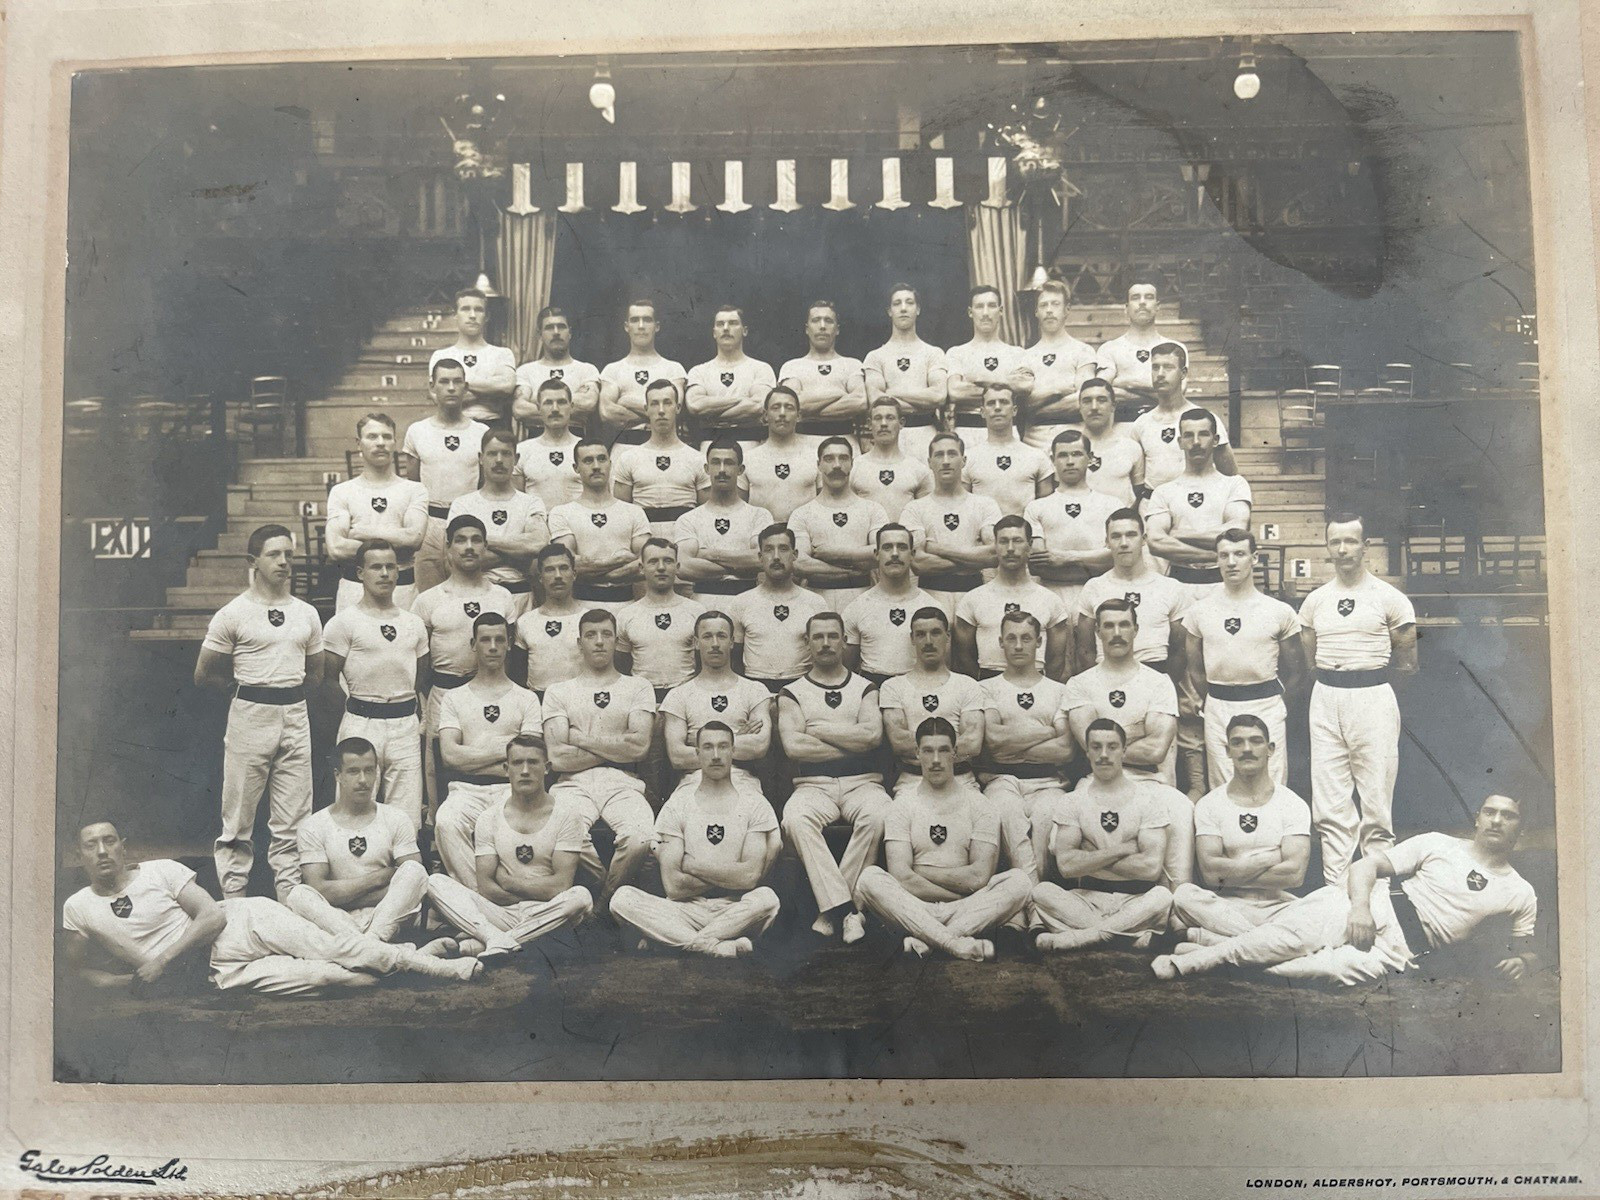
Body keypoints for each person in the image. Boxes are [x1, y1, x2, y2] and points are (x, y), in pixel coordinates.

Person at [1153, 794, 1537, 987]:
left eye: (1509, 816)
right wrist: (1360, 911)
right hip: (1373, 907)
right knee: (1285, 939)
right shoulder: (1440, 843)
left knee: (1295, 972)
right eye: (1491, 812)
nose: (1497, 820)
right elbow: (1366, 865)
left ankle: (1204, 942)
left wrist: (1525, 962)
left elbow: (1528, 949)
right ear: (1478, 817)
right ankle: (1186, 963)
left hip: (1401, 951)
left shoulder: (1520, 892)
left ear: (1519, 827)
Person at [63, 821, 479, 996]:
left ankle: (447, 970)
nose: (102, 851)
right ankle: (415, 958)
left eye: (110, 841)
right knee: (331, 978)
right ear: (79, 856)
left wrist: (161, 960)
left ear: (123, 847)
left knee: (340, 950)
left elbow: (213, 916)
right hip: (217, 972)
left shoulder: (159, 871)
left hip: (242, 923)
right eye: (90, 845)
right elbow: (73, 970)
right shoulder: (77, 907)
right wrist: (126, 981)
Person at [194, 524, 324, 902]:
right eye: (274, 554)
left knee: (294, 821)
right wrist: (245, 692)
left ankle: (292, 902)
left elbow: (315, 673)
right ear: (253, 561)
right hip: (251, 715)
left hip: (295, 714)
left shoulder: (306, 614)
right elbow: (204, 673)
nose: (284, 562)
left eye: (289, 554)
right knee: (238, 820)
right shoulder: (233, 613)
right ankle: (235, 903)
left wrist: (287, 694)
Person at [1298, 513, 1419, 885]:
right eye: (1335, 542)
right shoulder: (1315, 602)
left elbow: (1408, 663)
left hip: (1373, 697)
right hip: (1327, 699)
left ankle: (1376, 893)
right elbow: (1310, 660)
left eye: (1351, 541)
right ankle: (1336, 893)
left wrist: (1373, 693)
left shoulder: (1390, 598)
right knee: (1331, 804)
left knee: (1376, 802)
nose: (1343, 549)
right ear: (1327, 548)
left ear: (1366, 546)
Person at [853, 718, 1034, 959]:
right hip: (917, 904)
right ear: (917, 753)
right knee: (869, 879)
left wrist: (921, 870)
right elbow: (901, 877)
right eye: (928, 751)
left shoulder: (980, 805)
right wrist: (955, 893)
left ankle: (929, 939)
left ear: (955, 753)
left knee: (1020, 882)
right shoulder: (902, 805)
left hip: (966, 905)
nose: (935, 760)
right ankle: (955, 943)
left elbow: (979, 877)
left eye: (943, 750)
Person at [611, 723, 783, 957]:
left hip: (734, 909)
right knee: (622, 899)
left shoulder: (755, 804)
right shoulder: (677, 804)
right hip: (684, 909)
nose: (715, 755)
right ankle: (714, 945)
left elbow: (750, 877)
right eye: (708, 747)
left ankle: (675, 940)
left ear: (734, 751)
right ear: (697, 753)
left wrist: (692, 865)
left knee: (767, 899)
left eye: (723, 747)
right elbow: (674, 886)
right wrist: (731, 874)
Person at [424, 735, 595, 960]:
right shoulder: (488, 818)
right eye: (517, 763)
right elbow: (486, 888)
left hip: (548, 910)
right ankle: (510, 938)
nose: (525, 770)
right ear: (506, 768)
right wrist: (526, 894)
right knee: (435, 883)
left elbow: (561, 886)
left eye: (533, 762)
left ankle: (492, 941)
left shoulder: (567, 814)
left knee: (580, 897)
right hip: (504, 912)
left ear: (547, 768)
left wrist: (508, 882)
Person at [778, 613, 892, 944]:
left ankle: (832, 911)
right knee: (795, 819)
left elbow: (872, 737)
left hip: (864, 781)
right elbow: (794, 746)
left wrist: (821, 729)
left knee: (880, 814)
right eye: (818, 637)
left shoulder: (866, 687)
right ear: (808, 642)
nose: (826, 643)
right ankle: (847, 911)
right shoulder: (792, 692)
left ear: (844, 641)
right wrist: (850, 741)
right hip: (813, 785)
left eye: (833, 636)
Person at [543, 609, 659, 917]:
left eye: (606, 634)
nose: (599, 642)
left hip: (623, 782)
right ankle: (602, 893)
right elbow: (556, 757)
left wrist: (580, 739)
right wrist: (616, 745)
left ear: (615, 640)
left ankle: (602, 904)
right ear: (579, 643)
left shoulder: (637, 687)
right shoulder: (558, 692)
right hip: (572, 783)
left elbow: (639, 747)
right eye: (591, 635)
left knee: (640, 838)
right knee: (564, 834)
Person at [1030, 719, 1177, 952]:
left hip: (1135, 900)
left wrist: (1089, 856)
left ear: (1124, 750)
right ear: (1087, 752)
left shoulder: (1149, 800)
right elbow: (1067, 866)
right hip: (1087, 899)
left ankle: (1082, 938)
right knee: (1041, 891)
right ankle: (1125, 937)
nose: (1104, 755)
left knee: (1162, 896)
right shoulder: (1072, 801)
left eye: (1112, 746)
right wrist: (1121, 850)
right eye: (1096, 747)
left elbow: (1150, 869)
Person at [410, 516, 517, 825]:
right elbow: (421, 659)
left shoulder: (501, 596)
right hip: (443, 694)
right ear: (447, 547)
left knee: (491, 762)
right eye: (460, 540)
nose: (469, 547)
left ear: (485, 547)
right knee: (438, 768)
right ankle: (439, 839)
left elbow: (509, 654)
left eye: (476, 540)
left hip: (491, 692)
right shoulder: (428, 601)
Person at [1183, 528, 1306, 789]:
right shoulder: (1199, 611)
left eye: (1239, 554)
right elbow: (1194, 669)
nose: (1231, 562)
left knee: (1271, 786)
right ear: (1216, 559)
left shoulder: (1278, 611)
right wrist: (1214, 698)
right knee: (1223, 786)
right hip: (1219, 706)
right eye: (1224, 555)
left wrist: (1277, 705)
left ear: (1255, 558)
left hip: (1266, 705)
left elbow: (1297, 671)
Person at [1170, 715, 1312, 939]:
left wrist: (1230, 871)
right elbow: (1210, 874)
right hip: (1228, 905)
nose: (1247, 749)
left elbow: (1294, 875)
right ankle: (1268, 942)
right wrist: (1268, 858)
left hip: (1277, 905)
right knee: (1184, 896)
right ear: (1227, 750)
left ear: (1270, 748)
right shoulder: (1210, 804)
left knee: (1333, 900)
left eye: (1256, 741)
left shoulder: (1292, 804)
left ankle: (1215, 940)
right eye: (1238, 742)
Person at [319, 540, 429, 829]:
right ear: (360, 573)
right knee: (353, 808)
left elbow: (420, 676)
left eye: (390, 567)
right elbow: (328, 678)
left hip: (404, 723)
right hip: (361, 720)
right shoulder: (343, 623)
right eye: (376, 567)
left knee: (406, 818)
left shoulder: (414, 623)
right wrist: (355, 711)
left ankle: (401, 871)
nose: (384, 574)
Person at [434, 613, 544, 885]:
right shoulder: (454, 698)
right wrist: (505, 747)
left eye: (499, 640)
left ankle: (500, 898)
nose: (493, 647)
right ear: (473, 644)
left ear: (509, 644)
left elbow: (528, 758)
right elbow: (449, 756)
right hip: (465, 790)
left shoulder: (526, 698)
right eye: (485, 640)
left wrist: (472, 753)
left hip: (511, 791)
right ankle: (478, 897)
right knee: (446, 821)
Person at [286, 737, 431, 943]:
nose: (363, 780)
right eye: (354, 771)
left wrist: (346, 896)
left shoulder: (396, 817)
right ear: (338, 775)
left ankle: (368, 943)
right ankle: (375, 945)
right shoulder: (314, 825)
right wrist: (379, 877)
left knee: (415, 871)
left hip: (388, 914)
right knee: (299, 894)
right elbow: (319, 889)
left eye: (369, 770)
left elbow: (414, 882)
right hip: (336, 918)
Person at [977, 612, 1076, 883]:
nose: (1018, 645)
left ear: (1039, 642)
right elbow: (994, 741)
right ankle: (1033, 896)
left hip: (1048, 781)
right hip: (1002, 779)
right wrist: (1046, 731)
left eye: (1026, 638)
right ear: (1000, 642)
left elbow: (1065, 748)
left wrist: (1014, 747)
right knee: (1007, 814)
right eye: (1011, 638)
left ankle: (1027, 896)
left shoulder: (1059, 690)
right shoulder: (986, 688)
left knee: (1046, 816)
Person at [1064, 599, 1180, 790]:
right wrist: (1136, 730)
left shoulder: (1159, 682)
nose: (1117, 634)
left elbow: (1156, 750)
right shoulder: (1079, 684)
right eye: (1109, 626)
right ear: (1097, 632)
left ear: (1135, 629)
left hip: (1148, 780)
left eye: (1124, 625)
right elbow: (1088, 745)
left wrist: (1105, 744)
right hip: (1097, 780)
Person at [661, 612, 774, 798]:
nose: (715, 644)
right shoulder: (678, 695)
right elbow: (677, 757)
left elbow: (760, 745)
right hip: (693, 781)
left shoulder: (755, 690)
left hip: (742, 779)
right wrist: (736, 739)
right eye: (707, 637)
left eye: (721, 636)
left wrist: (699, 745)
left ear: (732, 641)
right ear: (696, 643)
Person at [401, 359, 490, 594]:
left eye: (457, 381)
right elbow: (412, 486)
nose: (451, 387)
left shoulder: (481, 432)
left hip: (468, 524)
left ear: (466, 387)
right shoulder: (417, 431)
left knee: (469, 593)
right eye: (444, 381)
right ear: (432, 387)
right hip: (430, 523)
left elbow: (484, 484)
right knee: (427, 595)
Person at [324, 413, 428, 613]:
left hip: (402, 591)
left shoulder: (414, 490)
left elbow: (413, 539)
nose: (381, 443)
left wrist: (362, 532)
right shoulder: (342, 491)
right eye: (372, 437)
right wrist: (395, 541)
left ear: (395, 443)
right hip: (354, 591)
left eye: (387, 437)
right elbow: (336, 548)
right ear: (358, 443)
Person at [880, 608, 986, 801]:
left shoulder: (967, 685)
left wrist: (923, 747)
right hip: (912, 779)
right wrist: (949, 745)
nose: (928, 641)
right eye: (921, 634)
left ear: (947, 636)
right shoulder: (893, 687)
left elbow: (973, 743)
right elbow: (898, 742)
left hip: (961, 779)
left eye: (936, 633)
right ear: (912, 639)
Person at [1145, 408, 1252, 593]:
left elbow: (1236, 533)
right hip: (1179, 582)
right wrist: (1213, 554)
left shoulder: (1234, 484)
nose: (1196, 442)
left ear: (1216, 440)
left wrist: (1178, 534)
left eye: (1203, 434)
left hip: (1222, 581)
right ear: (1179, 442)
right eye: (1188, 436)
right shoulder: (1164, 491)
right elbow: (1156, 542)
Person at [447, 428, 550, 618]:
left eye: (506, 454)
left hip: (521, 596)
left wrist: (482, 542)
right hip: (477, 596)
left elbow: (538, 544)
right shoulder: (463, 504)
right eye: (492, 453)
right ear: (480, 457)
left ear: (516, 459)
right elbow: (458, 560)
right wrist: (521, 554)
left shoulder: (531, 502)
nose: (499, 460)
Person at [953, 514, 1071, 680]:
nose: (1010, 548)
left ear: (1029, 546)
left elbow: (1056, 661)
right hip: (988, 688)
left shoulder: (1050, 600)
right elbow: (964, 658)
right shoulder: (973, 599)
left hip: (1035, 687)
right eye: (1003, 541)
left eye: (1017, 540)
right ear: (995, 546)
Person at [898, 433, 1002, 617]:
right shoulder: (915, 508)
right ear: (929, 462)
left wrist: (937, 549)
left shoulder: (985, 505)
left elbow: (994, 555)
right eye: (939, 455)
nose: (946, 461)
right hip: (930, 595)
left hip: (974, 594)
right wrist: (973, 561)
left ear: (963, 460)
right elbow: (918, 563)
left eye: (952, 454)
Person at [1074, 508, 1189, 675]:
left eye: (1131, 535)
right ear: (1107, 542)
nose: (1124, 543)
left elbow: (1179, 652)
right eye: (1116, 536)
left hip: (1155, 678)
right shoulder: (1094, 587)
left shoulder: (1170, 587)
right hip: (1107, 678)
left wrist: (1163, 686)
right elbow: (1085, 650)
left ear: (1143, 539)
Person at [1022, 430, 1121, 616]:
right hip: (1050, 594)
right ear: (1052, 460)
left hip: (1098, 593)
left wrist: (1066, 558)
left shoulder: (1111, 505)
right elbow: (1038, 565)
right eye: (1063, 455)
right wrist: (1093, 564)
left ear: (1090, 458)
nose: (1069, 461)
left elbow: (1116, 557)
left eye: (1076, 454)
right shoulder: (1036, 507)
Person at [547, 439, 651, 613]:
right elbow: (566, 563)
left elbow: (646, 562)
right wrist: (616, 561)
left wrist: (596, 570)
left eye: (601, 459)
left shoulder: (634, 512)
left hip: (626, 605)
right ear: (576, 468)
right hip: (580, 606)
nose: (596, 466)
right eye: (588, 461)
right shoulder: (562, 513)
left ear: (610, 464)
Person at [726, 524, 831, 691]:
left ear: (794, 554)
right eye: (768, 550)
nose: (776, 557)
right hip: (755, 687)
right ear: (760, 557)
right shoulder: (742, 602)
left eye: (783, 549)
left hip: (800, 688)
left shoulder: (815, 603)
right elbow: (734, 660)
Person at [788, 437, 888, 610]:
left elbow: (882, 552)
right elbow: (799, 563)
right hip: (817, 599)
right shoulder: (802, 513)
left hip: (862, 598)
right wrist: (849, 570)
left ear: (852, 463)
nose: (836, 465)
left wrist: (833, 554)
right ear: (818, 465)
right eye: (829, 459)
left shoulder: (873, 509)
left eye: (843, 458)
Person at [1126, 342, 1236, 489]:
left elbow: (1230, 475)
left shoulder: (1205, 419)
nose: (1160, 374)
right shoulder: (1141, 424)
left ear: (1183, 373)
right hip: (1154, 505)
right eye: (1155, 367)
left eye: (1168, 367)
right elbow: (1135, 480)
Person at [674, 438, 773, 601]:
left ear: (740, 469)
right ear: (706, 468)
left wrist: (710, 555)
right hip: (704, 600)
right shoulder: (689, 519)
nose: (722, 470)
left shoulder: (759, 515)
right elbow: (683, 567)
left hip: (746, 599)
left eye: (729, 463)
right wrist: (739, 567)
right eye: (715, 462)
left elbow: (762, 559)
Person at [841, 524, 939, 684]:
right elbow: (847, 670)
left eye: (902, 547)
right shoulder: (857, 607)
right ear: (876, 554)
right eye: (887, 547)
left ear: (912, 554)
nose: (894, 554)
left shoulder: (931, 607)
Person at [862, 283, 949, 461]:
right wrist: (922, 401)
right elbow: (876, 400)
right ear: (889, 311)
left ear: (917, 309)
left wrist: (891, 393)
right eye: (897, 303)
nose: (903, 308)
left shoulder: (933, 353)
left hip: (925, 434)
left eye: (909, 302)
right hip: (890, 438)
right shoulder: (875, 356)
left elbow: (939, 396)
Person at [611, 380, 709, 536]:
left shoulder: (697, 459)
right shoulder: (628, 458)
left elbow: (707, 514)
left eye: (667, 403)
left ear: (677, 408)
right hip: (644, 541)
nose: (661, 410)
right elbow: (622, 515)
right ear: (646, 409)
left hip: (685, 539)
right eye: (655, 404)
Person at [615, 539, 708, 698]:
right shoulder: (627, 614)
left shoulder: (696, 611)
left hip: (686, 697)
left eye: (668, 561)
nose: (661, 568)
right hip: (643, 699)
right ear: (641, 568)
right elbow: (622, 668)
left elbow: (704, 664)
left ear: (677, 567)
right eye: (653, 562)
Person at [944, 285, 1031, 449]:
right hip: (968, 433)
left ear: (1001, 310)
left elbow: (1025, 386)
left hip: (1008, 433)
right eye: (979, 306)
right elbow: (955, 391)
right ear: (971, 312)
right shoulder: (957, 353)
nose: (985, 313)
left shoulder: (1017, 353)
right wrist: (1005, 386)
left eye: (991, 306)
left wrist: (976, 382)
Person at [1017, 280, 1099, 452]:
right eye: (1043, 305)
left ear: (1066, 310)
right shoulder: (1025, 356)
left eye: (1055, 304)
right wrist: (1060, 391)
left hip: (1074, 437)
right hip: (1033, 441)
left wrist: (1038, 404)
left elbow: (1083, 400)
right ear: (1036, 312)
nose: (1049, 310)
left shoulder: (1082, 351)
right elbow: (1023, 405)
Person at [597, 299, 687, 445]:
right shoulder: (612, 370)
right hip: (625, 445)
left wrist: (626, 401)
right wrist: (657, 414)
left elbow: (675, 410)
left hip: (664, 445)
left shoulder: (674, 369)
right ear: (627, 327)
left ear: (656, 326)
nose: (640, 326)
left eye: (647, 320)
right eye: (634, 320)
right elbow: (607, 412)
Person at [684, 304, 778, 444]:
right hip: (710, 444)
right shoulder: (699, 371)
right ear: (714, 332)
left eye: (733, 323)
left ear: (744, 331)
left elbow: (758, 406)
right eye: (720, 324)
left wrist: (711, 415)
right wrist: (741, 399)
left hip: (750, 443)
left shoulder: (761, 368)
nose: (726, 328)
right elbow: (696, 406)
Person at [427, 288, 518, 428]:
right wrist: (491, 391)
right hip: (453, 426)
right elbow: (439, 398)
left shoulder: (502, 353)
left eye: (478, 310)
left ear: (486, 316)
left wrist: (461, 384)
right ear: (455, 315)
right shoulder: (442, 355)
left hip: (493, 426)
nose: (472, 315)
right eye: (465, 309)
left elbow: (506, 387)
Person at [961, 383, 1054, 518]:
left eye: (1004, 402)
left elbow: (1046, 512)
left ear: (1014, 410)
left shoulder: (1036, 456)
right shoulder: (968, 458)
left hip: (1024, 536)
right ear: (982, 411)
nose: (997, 407)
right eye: (991, 403)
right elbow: (964, 510)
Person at [778, 299, 866, 438]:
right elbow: (793, 405)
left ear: (837, 329)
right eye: (816, 320)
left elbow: (860, 401)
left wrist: (809, 412)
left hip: (845, 441)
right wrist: (838, 393)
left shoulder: (852, 365)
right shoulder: (792, 367)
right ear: (807, 329)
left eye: (828, 321)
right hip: (804, 442)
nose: (822, 326)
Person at [512, 306, 601, 434]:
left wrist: (539, 401)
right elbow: (519, 409)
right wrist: (568, 404)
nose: (556, 332)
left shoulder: (586, 370)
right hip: (536, 437)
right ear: (539, 335)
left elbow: (588, 402)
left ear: (570, 332)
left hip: (575, 437)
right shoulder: (526, 371)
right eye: (549, 327)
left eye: (561, 326)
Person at [1094, 280, 1184, 404]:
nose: (1142, 302)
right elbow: (1100, 392)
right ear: (1126, 308)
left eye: (1149, 297)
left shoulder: (1175, 348)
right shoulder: (1109, 349)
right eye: (1136, 298)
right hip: (1123, 419)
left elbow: (1177, 394)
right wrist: (1155, 392)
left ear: (1157, 306)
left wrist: (1123, 383)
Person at [515, 544, 587, 696]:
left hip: (578, 701)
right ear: (540, 577)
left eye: (563, 568)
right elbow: (518, 676)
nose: (558, 576)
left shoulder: (587, 619)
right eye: (550, 570)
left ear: (574, 574)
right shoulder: (526, 622)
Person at [742, 386, 821, 524]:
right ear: (766, 416)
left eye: (789, 407)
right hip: (762, 539)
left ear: (799, 415)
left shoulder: (815, 457)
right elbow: (739, 509)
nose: (782, 413)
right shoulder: (748, 459)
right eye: (776, 407)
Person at [850, 396, 932, 521]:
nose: (883, 424)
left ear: (901, 423)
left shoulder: (917, 469)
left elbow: (926, 517)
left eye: (890, 418)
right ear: (869, 424)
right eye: (878, 418)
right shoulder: (855, 467)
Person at [515, 378, 586, 513]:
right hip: (538, 526)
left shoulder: (586, 449)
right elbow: (517, 503)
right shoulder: (523, 450)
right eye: (548, 403)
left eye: (561, 402)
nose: (555, 409)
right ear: (538, 408)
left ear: (571, 407)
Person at [1078, 379, 1145, 506]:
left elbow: (1138, 494)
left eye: (1101, 400)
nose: (1094, 407)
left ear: (1113, 406)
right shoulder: (1068, 448)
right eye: (1087, 401)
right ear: (1079, 407)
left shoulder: (1130, 447)